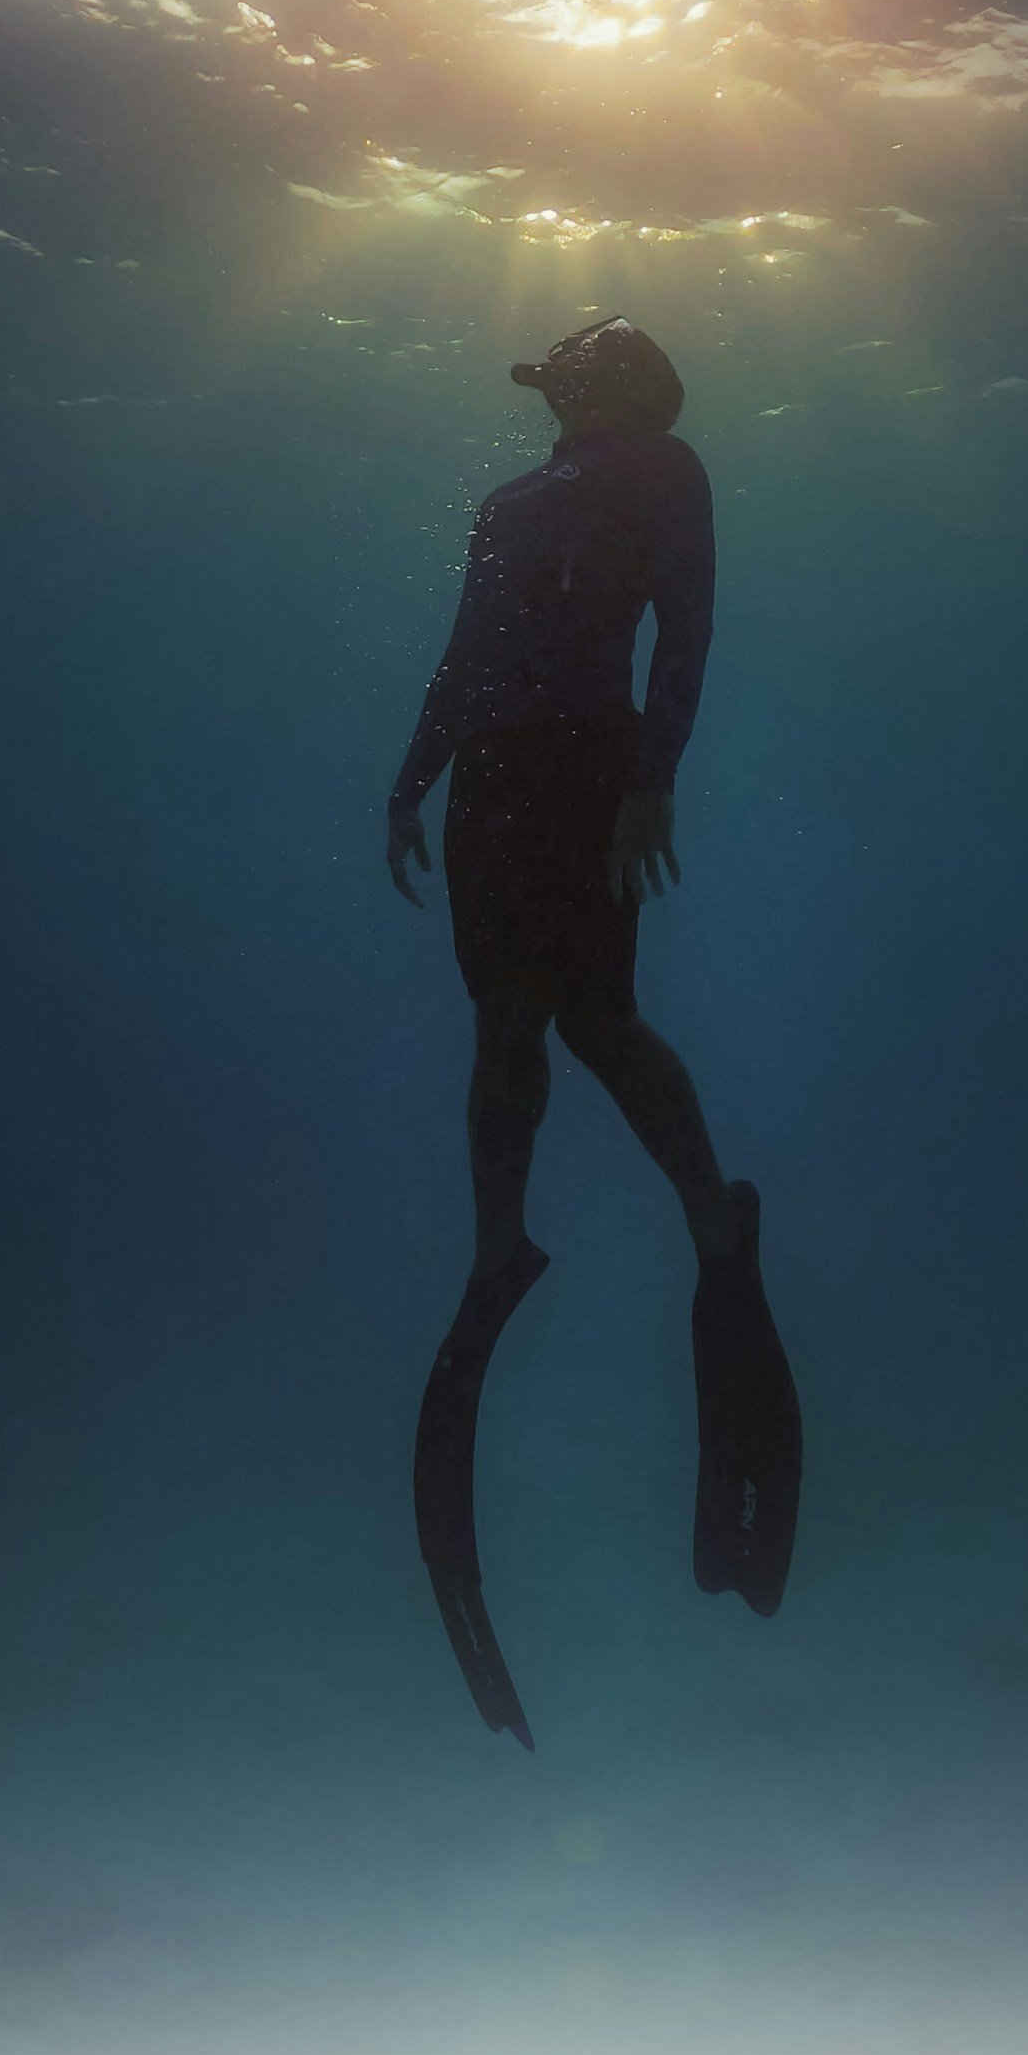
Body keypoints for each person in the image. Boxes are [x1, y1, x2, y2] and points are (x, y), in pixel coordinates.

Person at [388, 316, 802, 1748]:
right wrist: (411, 776)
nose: (553, 392)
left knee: (597, 1020)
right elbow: (464, 649)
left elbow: (686, 627)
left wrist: (654, 780)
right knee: (507, 1026)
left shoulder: (667, 475)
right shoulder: (510, 504)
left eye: (574, 376)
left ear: (614, 387)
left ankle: (710, 1210)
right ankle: (500, 1240)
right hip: (494, 785)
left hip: (578, 774)